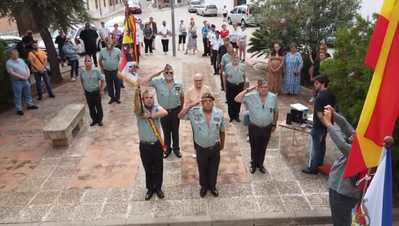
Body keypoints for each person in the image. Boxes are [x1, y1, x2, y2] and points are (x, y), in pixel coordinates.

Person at [320, 105, 361, 226]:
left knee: (341, 222)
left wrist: (329, 125)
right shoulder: (364, 143)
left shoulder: (362, 152)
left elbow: (342, 145)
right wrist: (334, 115)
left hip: (343, 194)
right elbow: (348, 129)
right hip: (337, 189)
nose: (355, 133)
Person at [179, 92, 225, 198]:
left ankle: (212, 186)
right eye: (205, 101)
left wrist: (222, 144)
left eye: (210, 101)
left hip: (214, 147)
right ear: (201, 103)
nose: (208, 103)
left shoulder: (219, 113)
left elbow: (222, 131)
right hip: (201, 148)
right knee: (202, 168)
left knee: (214, 168)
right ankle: (204, 187)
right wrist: (191, 105)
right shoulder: (194, 112)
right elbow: (180, 116)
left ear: (213, 102)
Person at [235, 80, 278, 174]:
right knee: (254, 146)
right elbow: (237, 99)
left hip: (267, 127)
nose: (264, 89)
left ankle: (260, 164)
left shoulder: (273, 97)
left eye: (266, 87)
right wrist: (248, 90)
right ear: (258, 88)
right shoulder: (251, 97)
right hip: (254, 127)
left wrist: (274, 124)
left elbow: (276, 111)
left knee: (263, 147)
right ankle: (253, 164)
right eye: (262, 87)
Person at [141, 64, 184, 159]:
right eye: (166, 72)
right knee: (166, 131)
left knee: (175, 131)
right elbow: (143, 82)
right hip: (163, 111)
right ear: (163, 74)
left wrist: (180, 110)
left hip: (175, 111)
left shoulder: (179, 84)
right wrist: (156, 73)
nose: (169, 74)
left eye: (171, 72)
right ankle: (167, 149)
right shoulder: (158, 83)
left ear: (174, 73)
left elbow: (182, 97)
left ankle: (176, 149)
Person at [134, 87, 168, 200]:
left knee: (158, 167)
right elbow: (136, 107)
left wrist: (152, 116)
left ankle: (158, 188)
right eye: (146, 98)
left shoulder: (156, 108)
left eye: (151, 98)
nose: (149, 100)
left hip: (157, 144)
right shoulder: (140, 110)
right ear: (143, 99)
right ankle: (150, 188)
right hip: (145, 145)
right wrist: (136, 94)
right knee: (147, 168)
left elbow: (165, 112)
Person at [302, 75, 336, 174]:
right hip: (327, 124)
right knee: (322, 145)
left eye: (316, 83)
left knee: (316, 148)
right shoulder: (331, 94)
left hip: (319, 126)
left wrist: (326, 124)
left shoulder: (320, 97)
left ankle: (313, 168)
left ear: (322, 84)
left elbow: (320, 115)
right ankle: (319, 164)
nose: (314, 85)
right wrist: (329, 125)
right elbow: (333, 109)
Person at [6, 49, 38, 115]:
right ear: (11, 55)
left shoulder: (21, 60)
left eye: (17, 53)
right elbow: (11, 72)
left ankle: (30, 105)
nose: (16, 55)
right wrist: (22, 77)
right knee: (18, 95)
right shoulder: (9, 63)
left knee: (28, 93)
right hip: (17, 81)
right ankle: (19, 109)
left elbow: (26, 67)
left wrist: (28, 74)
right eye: (14, 54)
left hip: (25, 80)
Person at [80, 55, 105, 127]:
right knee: (91, 107)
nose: (87, 62)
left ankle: (100, 120)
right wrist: (84, 89)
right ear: (84, 63)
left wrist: (101, 90)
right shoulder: (82, 72)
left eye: (89, 60)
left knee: (98, 106)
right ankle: (94, 120)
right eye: (85, 61)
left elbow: (102, 80)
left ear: (92, 62)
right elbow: (82, 80)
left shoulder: (96, 71)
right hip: (88, 92)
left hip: (96, 92)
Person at [224, 53, 246, 122]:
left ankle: (236, 115)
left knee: (238, 101)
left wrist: (244, 87)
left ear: (239, 59)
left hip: (240, 86)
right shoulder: (228, 66)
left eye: (237, 58)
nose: (235, 59)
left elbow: (244, 77)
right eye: (234, 58)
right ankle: (231, 116)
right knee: (230, 101)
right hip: (231, 85)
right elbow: (225, 77)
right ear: (231, 59)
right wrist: (225, 87)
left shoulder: (243, 66)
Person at [99, 38, 121, 104]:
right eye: (107, 41)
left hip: (116, 71)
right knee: (109, 85)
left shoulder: (117, 50)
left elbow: (121, 60)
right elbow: (100, 60)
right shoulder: (102, 51)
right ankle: (112, 97)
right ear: (105, 43)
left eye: (110, 42)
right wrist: (102, 68)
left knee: (117, 85)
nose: (109, 43)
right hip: (107, 71)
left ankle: (117, 98)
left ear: (113, 43)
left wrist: (120, 70)